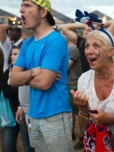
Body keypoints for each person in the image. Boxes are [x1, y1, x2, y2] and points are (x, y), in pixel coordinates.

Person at [10, 0, 73, 151]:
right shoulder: (27, 44)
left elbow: (44, 82)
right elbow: (12, 79)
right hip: (33, 115)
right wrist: (33, 72)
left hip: (55, 115)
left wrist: (24, 77)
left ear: (43, 12)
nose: (21, 10)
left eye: (27, 5)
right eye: (21, 5)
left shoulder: (56, 40)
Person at [0, 46, 21, 152]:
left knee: (28, 146)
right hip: (9, 112)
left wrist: (10, 88)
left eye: (15, 54)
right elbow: (3, 90)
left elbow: (19, 91)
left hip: (24, 112)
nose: (12, 56)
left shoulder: (26, 70)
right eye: (11, 54)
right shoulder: (8, 71)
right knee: (8, 146)